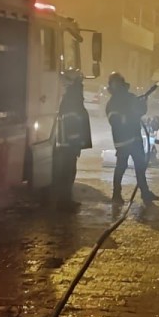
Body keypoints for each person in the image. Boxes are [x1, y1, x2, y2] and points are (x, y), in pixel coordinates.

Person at [105, 72, 159, 205]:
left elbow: (141, 111)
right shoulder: (112, 104)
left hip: (135, 138)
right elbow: (115, 121)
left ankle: (145, 193)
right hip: (123, 140)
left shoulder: (130, 98)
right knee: (121, 167)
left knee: (140, 167)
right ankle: (116, 194)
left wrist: (142, 103)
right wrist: (129, 114)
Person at [53, 68, 92, 212]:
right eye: (79, 81)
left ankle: (66, 200)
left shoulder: (72, 96)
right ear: (74, 82)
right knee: (67, 173)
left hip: (69, 143)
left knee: (68, 172)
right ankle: (63, 203)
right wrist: (76, 141)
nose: (82, 83)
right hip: (70, 144)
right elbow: (72, 121)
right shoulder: (72, 98)